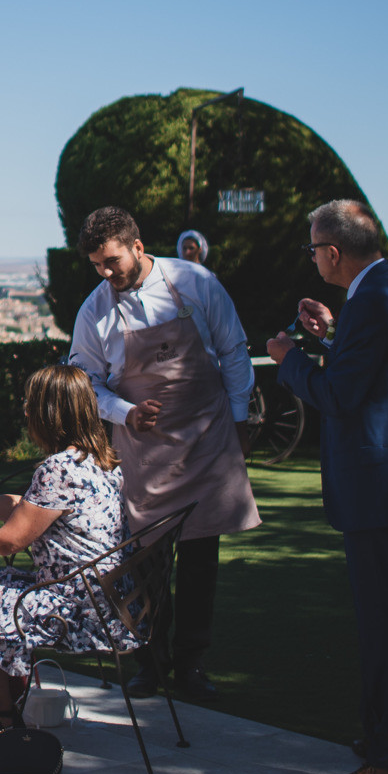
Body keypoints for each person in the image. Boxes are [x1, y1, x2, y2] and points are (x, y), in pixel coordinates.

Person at [268, 199, 388, 774]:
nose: (313, 257)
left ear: (334, 252)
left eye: (313, 248)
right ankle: (380, 739)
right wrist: (334, 336)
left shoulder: (371, 300)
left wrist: (290, 360)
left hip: (379, 483)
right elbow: (380, 375)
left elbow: (341, 398)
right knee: (387, 617)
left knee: (385, 624)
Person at [67, 205, 259, 701]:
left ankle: (192, 665)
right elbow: (85, 380)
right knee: (146, 562)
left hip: (206, 439)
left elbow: (234, 351)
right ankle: (149, 663)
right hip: (143, 449)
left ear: (137, 246)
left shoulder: (195, 282)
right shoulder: (94, 310)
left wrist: (239, 421)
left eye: (112, 261)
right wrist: (124, 412)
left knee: (201, 561)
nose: (106, 274)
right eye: (96, 265)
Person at [0, 365, 137, 760]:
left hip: (78, 610)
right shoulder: (98, 461)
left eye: (31, 405)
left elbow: (10, 542)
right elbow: (27, 507)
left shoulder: (57, 469)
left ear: (51, 413)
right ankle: (4, 715)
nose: (26, 412)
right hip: (111, 599)